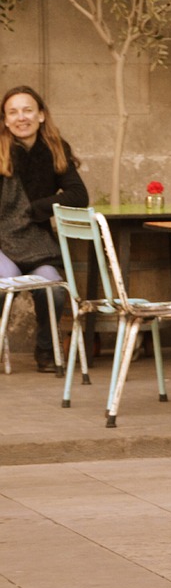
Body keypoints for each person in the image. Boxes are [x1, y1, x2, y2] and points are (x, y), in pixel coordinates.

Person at [0, 86, 88, 373]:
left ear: (40, 115)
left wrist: (39, 207)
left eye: (27, 110)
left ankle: (46, 350)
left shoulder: (54, 149)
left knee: (52, 289)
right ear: (5, 119)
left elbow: (78, 195)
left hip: (36, 240)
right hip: (1, 240)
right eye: (12, 112)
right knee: (5, 280)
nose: (20, 117)